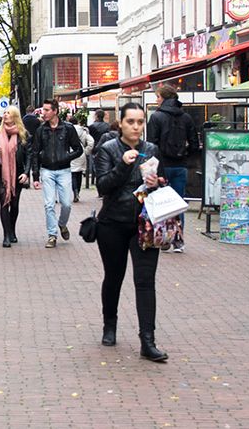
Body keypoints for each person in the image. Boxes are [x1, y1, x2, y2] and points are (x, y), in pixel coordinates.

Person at [93, 103, 168, 361]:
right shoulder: (108, 149)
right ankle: (109, 325)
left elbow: (162, 181)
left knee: (145, 282)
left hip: (144, 224)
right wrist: (123, 166)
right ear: (121, 124)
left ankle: (148, 340)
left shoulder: (152, 150)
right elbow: (103, 186)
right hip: (113, 223)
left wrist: (157, 182)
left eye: (140, 122)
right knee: (114, 277)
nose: (136, 127)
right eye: (131, 122)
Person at [146, 84, 199, 238]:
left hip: (161, 167)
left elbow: (151, 144)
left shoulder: (156, 117)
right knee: (178, 203)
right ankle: (178, 238)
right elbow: (194, 143)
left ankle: (162, 236)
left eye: (157, 97)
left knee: (160, 202)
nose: (156, 100)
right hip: (180, 166)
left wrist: (154, 166)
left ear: (163, 98)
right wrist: (185, 156)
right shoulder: (186, 117)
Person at [31, 99, 83, 248]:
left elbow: (78, 149)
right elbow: (34, 152)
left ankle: (62, 224)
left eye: (47, 110)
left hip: (64, 170)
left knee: (66, 204)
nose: (44, 113)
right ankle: (52, 235)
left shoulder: (67, 128)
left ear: (55, 111)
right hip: (47, 170)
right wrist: (35, 176)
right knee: (49, 204)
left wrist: (67, 157)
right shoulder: (41, 130)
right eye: (43, 110)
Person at [0, 107, 31, 247]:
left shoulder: (23, 134)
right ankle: (6, 236)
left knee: (14, 204)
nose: (5, 115)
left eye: (8, 113)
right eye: (4, 113)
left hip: (18, 173)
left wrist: (26, 172)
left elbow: (29, 155)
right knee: (4, 203)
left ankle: (12, 230)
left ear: (15, 116)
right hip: (1, 174)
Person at [70, 115, 94, 203]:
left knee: (73, 173)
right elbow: (91, 142)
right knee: (79, 173)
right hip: (81, 153)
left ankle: (75, 191)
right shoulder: (83, 131)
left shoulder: (68, 130)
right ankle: (78, 192)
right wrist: (86, 151)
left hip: (71, 153)